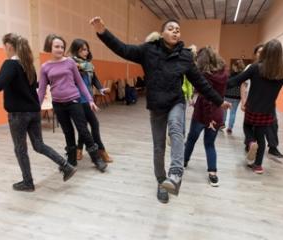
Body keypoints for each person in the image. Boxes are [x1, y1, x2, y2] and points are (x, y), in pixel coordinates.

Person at [90, 17, 231, 203]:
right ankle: (161, 181)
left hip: (176, 102)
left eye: (178, 30)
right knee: (158, 147)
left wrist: (219, 101)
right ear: (162, 32)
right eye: (171, 28)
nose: (175, 31)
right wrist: (102, 31)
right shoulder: (148, 50)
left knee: (176, 128)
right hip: (157, 105)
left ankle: (175, 174)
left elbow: (201, 83)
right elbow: (123, 49)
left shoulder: (186, 56)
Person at [0, 33, 76, 191]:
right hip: (33, 112)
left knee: (20, 148)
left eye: (4, 47)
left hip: (19, 114)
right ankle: (66, 166)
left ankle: (28, 182)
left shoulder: (10, 64)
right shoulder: (28, 65)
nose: (4, 50)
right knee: (39, 145)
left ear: (9, 46)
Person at [227, 39, 283, 174]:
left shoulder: (255, 67)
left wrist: (219, 84)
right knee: (261, 138)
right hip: (267, 111)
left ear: (265, 52)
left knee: (247, 127)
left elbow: (237, 81)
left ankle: (250, 143)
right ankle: (258, 166)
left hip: (252, 108)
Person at [38, 34, 107, 172]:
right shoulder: (45, 67)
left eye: (62, 47)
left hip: (74, 102)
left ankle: (96, 159)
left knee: (83, 130)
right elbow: (42, 89)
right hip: (58, 104)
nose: (60, 49)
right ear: (49, 47)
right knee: (68, 132)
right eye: (56, 46)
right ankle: (72, 160)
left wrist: (90, 100)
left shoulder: (69, 63)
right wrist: (37, 106)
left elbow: (81, 83)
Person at [184, 46, 228, 187]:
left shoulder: (203, 75)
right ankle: (213, 174)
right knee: (209, 144)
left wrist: (194, 100)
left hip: (203, 112)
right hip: (216, 113)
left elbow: (203, 96)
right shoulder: (224, 74)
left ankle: (183, 162)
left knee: (191, 139)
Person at [68, 38, 113, 163]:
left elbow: (94, 79)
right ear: (76, 50)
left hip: (88, 99)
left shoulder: (88, 65)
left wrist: (101, 89)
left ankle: (79, 149)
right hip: (77, 100)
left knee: (84, 127)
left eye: (87, 49)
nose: (86, 52)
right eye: (83, 49)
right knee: (93, 124)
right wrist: (78, 67)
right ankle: (101, 151)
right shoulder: (71, 63)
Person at [241, 44, 283, 160]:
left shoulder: (273, 68)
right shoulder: (252, 67)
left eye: (262, 52)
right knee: (251, 126)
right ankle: (250, 144)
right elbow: (243, 84)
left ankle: (272, 147)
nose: (260, 54)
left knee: (272, 124)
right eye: (258, 52)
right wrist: (243, 100)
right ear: (255, 54)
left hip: (268, 104)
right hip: (252, 102)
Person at [223, 59, 245, 134]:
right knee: (233, 112)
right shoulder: (243, 75)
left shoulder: (229, 74)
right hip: (237, 97)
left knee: (224, 110)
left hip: (227, 95)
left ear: (234, 66)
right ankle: (230, 127)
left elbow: (225, 83)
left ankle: (222, 123)